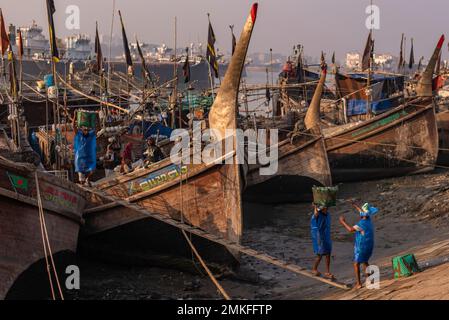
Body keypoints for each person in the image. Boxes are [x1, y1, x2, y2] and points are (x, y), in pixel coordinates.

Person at [339, 202, 377, 289]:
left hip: (362, 246)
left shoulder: (361, 224)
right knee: (365, 261)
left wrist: (343, 222)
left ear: (362, 215)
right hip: (369, 245)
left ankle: (359, 283)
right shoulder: (368, 220)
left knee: (356, 263)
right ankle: (370, 279)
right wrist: (355, 205)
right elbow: (362, 212)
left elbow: (350, 229)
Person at [310, 204, 334, 279]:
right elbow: (315, 213)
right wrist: (315, 207)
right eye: (325, 208)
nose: (326, 208)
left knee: (328, 253)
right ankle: (314, 269)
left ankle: (327, 271)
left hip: (326, 235)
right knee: (319, 254)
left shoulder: (327, 214)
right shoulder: (317, 214)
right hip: (319, 236)